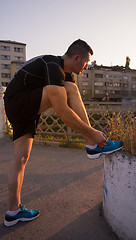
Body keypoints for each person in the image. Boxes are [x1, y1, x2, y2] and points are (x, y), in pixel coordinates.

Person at [3, 39, 123, 226]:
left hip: (21, 107)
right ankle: (92, 143)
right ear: (77, 58)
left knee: (20, 159)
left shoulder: (65, 74)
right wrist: (93, 132)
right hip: (18, 102)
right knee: (70, 88)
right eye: (86, 62)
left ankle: (13, 212)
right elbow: (62, 112)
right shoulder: (53, 66)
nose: (86, 66)